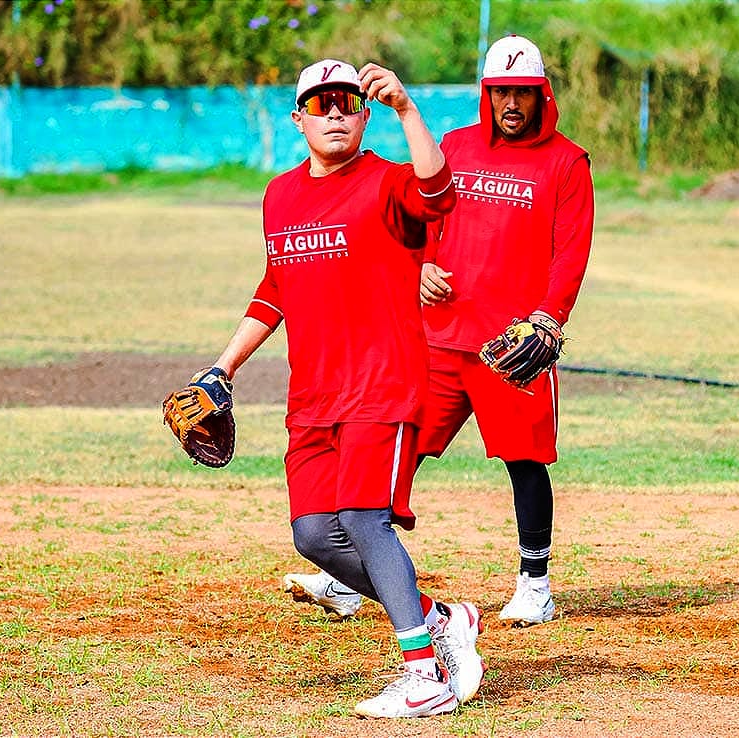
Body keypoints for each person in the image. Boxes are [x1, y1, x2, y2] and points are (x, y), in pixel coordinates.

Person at [202, 58, 484, 719]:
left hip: (381, 384)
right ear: (298, 119)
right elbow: (275, 291)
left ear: (362, 115)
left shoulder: (387, 181)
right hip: (314, 396)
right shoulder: (280, 196)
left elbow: (439, 193)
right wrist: (223, 367)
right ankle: (442, 620)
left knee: (363, 519)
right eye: (319, 103)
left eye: (346, 103)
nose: (334, 112)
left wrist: (409, 111)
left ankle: (424, 677)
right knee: (314, 536)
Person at [284, 35, 594, 627]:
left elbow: (571, 250)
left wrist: (550, 318)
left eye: (522, 92)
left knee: (523, 459)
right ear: (486, 93)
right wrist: (423, 262)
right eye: (500, 90)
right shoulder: (455, 144)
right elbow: (431, 210)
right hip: (439, 334)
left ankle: (535, 583)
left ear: (541, 95)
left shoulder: (566, 162)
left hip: (513, 344)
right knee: (400, 450)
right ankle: (351, 573)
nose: (511, 102)